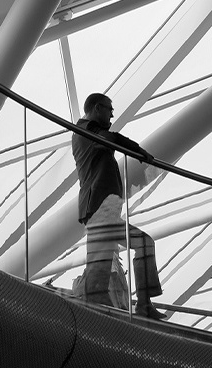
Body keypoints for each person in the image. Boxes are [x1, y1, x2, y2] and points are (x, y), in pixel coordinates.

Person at [71, 92, 166, 320]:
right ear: (95, 108)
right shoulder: (85, 130)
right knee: (107, 260)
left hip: (106, 211)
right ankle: (105, 304)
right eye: (108, 108)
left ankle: (139, 304)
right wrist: (139, 151)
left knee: (132, 248)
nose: (112, 114)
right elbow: (112, 139)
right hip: (99, 208)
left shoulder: (93, 135)